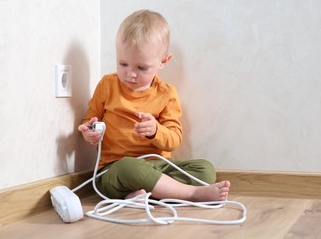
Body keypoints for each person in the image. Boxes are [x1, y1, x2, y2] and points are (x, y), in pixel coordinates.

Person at [78, 10, 230, 201]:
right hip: (116, 169)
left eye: (141, 67)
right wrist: (90, 133)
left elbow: (174, 139)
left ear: (163, 61)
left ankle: (145, 195)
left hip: (159, 166)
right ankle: (190, 194)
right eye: (123, 63)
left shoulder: (166, 94)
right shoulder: (107, 85)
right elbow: (89, 121)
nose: (130, 74)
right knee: (128, 167)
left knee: (205, 170)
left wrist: (155, 131)